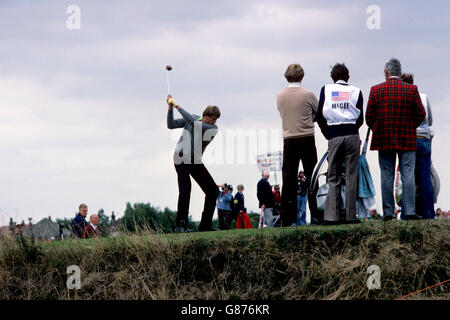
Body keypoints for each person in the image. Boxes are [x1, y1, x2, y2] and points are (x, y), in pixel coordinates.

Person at [366, 58, 426, 221]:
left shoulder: (375, 90)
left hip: (384, 138)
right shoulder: (412, 90)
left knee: (387, 175)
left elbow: (368, 117)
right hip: (406, 137)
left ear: (386, 73)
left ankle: (387, 212)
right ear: (400, 74)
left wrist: (378, 128)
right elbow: (421, 114)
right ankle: (410, 211)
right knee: (408, 175)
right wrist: (410, 126)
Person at [316, 63, 364, 225]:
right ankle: (351, 216)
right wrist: (352, 130)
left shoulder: (326, 89)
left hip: (334, 134)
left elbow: (319, 116)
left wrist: (328, 134)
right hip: (351, 134)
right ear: (348, 77)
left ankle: (331, 216)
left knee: (333, 176)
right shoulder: (357, 91)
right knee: (351, 176)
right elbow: (361, 119)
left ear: (332, 77)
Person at [167, 95, 221, 232]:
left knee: (213, 190)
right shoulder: (194, 118)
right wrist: (170, 109)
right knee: (185, 188)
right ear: (205, 116)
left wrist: (177, 105)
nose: (215, 122)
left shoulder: (212, 129)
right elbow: (171, 125)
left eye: (216, 119)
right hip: (180, 157)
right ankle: (180, 226)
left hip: (194, 160)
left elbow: (194, 123)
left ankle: (205, 225)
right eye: (213, 118)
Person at [277, 63, 319, 226]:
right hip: (307, 137)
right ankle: (316, 214)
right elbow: (317, 112)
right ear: (302, 76)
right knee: (312, 177)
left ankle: (288, 218)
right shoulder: (308, 95)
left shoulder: (280, 96)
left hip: (289, 139)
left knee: (288, 179)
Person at [400, 73, 435, 220]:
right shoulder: (424, 97)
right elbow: (430, 121)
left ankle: (408, 212)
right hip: (424, 139)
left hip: (409, 140)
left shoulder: (401, 97)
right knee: (425, 178)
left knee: (408, 178)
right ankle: (428, 213)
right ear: (413, 83)